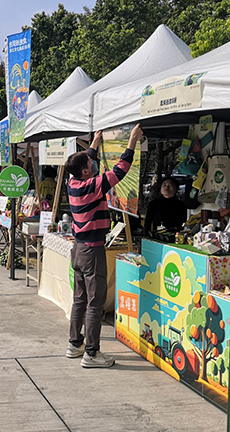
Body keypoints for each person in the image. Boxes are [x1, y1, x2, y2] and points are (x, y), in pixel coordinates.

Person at [65, 125, 143, 368]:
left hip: (78, 249)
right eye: (90, 165)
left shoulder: (73, 182)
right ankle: (91, 353)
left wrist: (94, 145)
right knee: (95, 302)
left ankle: (74, 344)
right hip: (92, 250)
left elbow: (87, 163)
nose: (93, 166)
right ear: (86, 172)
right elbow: (119, 171)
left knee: (79, 300)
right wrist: (132, 141)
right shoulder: (92, 186)